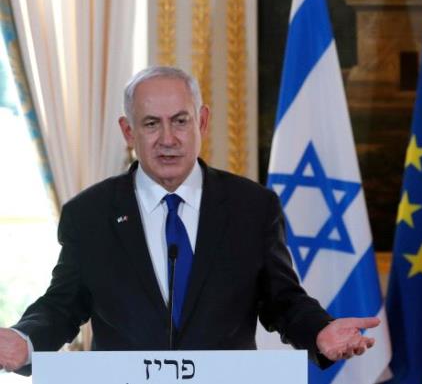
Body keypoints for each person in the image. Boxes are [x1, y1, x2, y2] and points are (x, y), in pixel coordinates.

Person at [0, 66, 378, 375]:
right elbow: (63, 305)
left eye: (180, 121)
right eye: (151, 124)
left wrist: (318, 331)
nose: (168, 139)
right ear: (128, 130)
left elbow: (282, 300)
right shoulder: (89, 214)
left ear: (202, 121)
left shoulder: (252, 207)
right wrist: (25, 339)